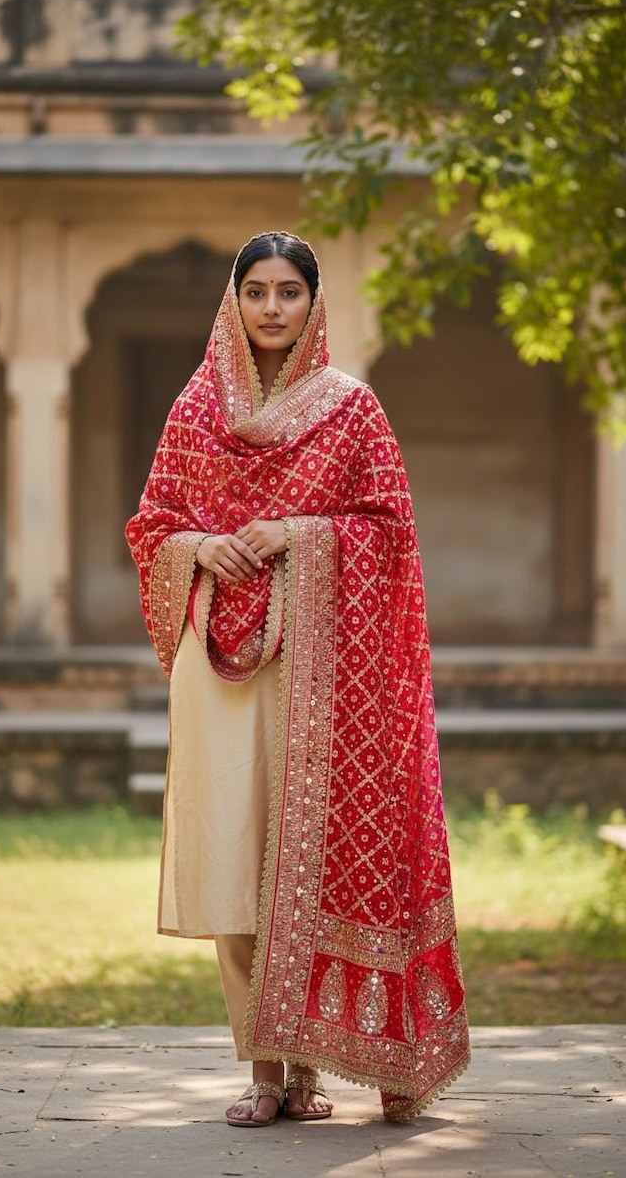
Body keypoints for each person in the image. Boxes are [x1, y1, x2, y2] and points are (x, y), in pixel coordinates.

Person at [125, 231, 469, 1127]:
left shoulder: (353, 411)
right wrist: (204, 546)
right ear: (233, 302)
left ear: (314, 304)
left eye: (289, 292)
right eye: (257, 291)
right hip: (217, 664)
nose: (272, 307)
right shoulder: (195, 410)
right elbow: (153, 524)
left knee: (305, 860)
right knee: (233, 861)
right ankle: (263, 1070)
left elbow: (390, 534)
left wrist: (297, 534)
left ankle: (307, 1071)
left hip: (323, 672)